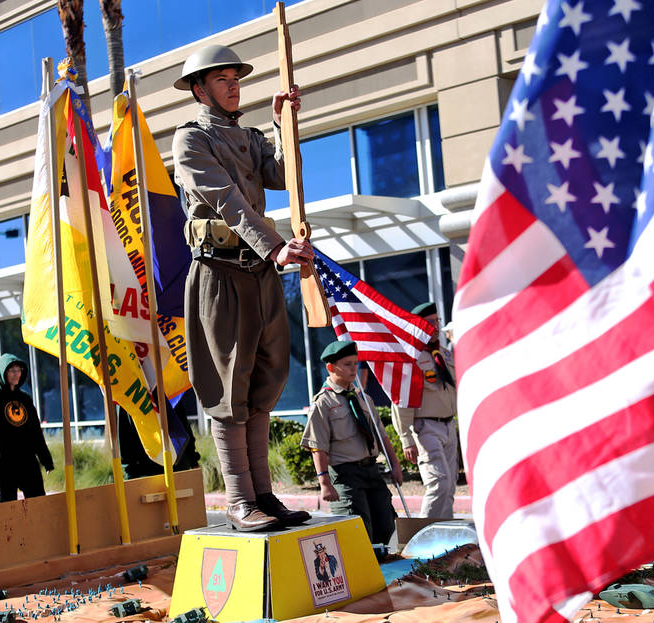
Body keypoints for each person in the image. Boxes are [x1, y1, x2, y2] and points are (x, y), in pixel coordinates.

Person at [172, 44, 312, 531]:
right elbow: (230, 202)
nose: (233, 85)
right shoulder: (190, 140)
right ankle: (238, 500)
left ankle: (264, 498)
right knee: (228, 383)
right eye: (221, 78)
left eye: (236, 77)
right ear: (199, 88)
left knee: (262, 382)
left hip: (260, 270)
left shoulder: (249, 137)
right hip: (221, 269)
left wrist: (282, 124)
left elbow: (279, 176)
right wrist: (275, 247)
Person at [302, 340, 403, 547]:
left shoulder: (363, 398)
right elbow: (317, 445)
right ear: (331, 367)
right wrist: (324, 483)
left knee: (386, 525)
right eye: (347, 364)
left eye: (355, 363)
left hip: (371, 470)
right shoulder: (323, 402)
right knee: (357, 532)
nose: (353, 369)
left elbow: (382, 436)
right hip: (345, 475)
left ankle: (381, 571)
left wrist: (395, 464)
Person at [391, 302, 460, 518]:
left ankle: (446, 535)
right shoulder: (411, 359)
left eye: (436, 321)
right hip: (426, 426)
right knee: (438, 482)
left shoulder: (445, 355)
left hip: (449, 425)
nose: (435, 326)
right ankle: (423, 533)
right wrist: (406, 439)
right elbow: (401, 401)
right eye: (429, 323)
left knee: (450, 486)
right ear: (418, 327)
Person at [0, 353, 54, 503]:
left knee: (38, 504)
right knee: (8, 510)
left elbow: (36, 432)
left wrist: (46, 460)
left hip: (27, 462)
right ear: (3, 372)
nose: (16, 374)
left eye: (19, 370)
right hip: (2, 465)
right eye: (12, 370)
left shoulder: (25, 398)